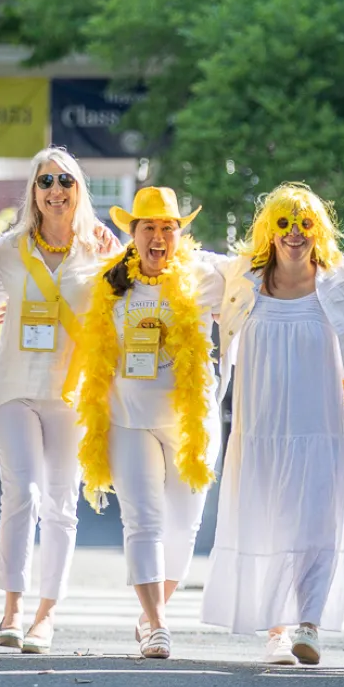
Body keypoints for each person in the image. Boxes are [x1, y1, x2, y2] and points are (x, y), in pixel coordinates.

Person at [201, 183, 344, 666]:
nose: (295, 234)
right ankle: (276, 631)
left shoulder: (340, 281)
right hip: (261, 432)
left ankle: (309, 624)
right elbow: (179, 267)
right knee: (268, 521)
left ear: (320, 231)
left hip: (318, 429)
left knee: (316, 519)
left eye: (305, 224)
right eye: (284, 224)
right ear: (268, 232)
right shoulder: (240, 278)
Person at [73, 186, 223, 660]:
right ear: (132, 234)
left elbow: (264, 268)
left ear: (180, 234)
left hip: (190, 422)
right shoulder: (109, 282)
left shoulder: (204, 274)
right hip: (128, 419)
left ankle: (151, 612)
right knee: (144, 522)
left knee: (185, 526)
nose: (158, 237)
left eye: (167, 228)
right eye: (148, 228)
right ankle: (157, 625)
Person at [0, 147, 121, 655]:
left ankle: (47, 615)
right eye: (45, 181)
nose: (55, 190)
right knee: (22, 494)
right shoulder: (6, 249)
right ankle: (12, 610)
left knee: (62, 504)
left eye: (65, 180)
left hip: (70, 395)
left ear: (79, 189)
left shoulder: (104, 251)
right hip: (11, 388)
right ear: (33, 193)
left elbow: (146, 293)